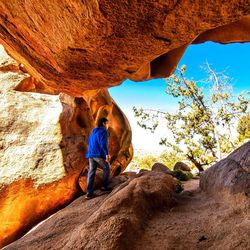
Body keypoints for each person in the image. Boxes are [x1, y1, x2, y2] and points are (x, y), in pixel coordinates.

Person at [85, 117, 111, 199]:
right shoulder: (104, 131)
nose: (107, 125)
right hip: (98, 154)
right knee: (107, 168)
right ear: (104, 123)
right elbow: (103, 143)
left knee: (91, 172)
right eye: (107, 123)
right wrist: (106, 154)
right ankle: (104, 187)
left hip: (91, 154)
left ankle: (89, 193)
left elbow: (88, 141)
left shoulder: (93, 131)